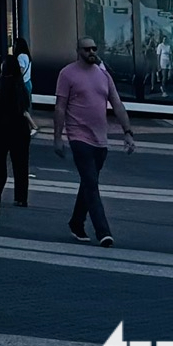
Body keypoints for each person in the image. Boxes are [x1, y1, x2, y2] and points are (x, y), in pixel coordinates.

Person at [53, 34, 136, 243]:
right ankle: (104, 232)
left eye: (94, 49)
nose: (91, 52)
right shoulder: (67, 74)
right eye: (87, 49)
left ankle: (76, 223)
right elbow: (60, 107)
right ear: (78, 51)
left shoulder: (103, 76)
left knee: (89, 182)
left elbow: (117, 104)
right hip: (78, 136)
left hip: (100, 139)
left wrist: (128, 132)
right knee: (91, 183)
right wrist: (58, 138)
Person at [0, 48, 32, 206]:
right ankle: (21, 198)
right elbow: (25, 106)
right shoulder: (20, 85)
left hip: (1, 128)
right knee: (21, 164)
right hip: (20, 129)